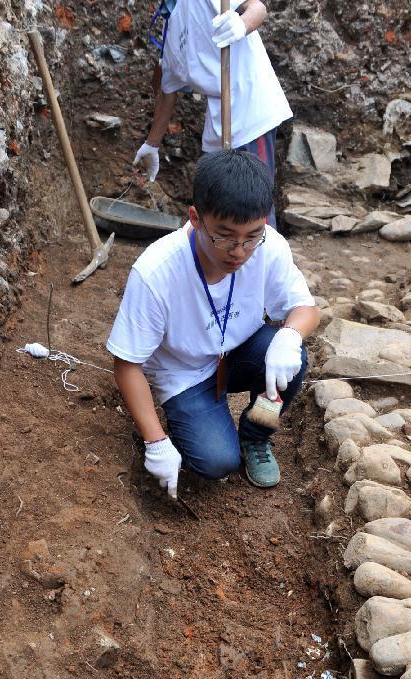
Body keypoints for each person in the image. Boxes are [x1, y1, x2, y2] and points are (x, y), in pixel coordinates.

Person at [106, 150, 319, 498]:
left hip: (238, 353)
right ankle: (190, 424)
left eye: (251, 237)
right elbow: (126, 364)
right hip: (185, 374)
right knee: (216, 461)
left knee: (291, 361)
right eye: (225, 236)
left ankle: (256, 435)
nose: (239, 251)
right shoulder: (157, 272)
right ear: (195, 218)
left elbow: (305, 309)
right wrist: (155, 440)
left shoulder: (269, 246)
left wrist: (290, 335)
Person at [133, 0, 291, 228]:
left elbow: (257, 7)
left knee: (253, 208)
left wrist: (240, 25)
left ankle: (261, 262)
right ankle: (217, 262)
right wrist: (152, 144)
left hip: (250, 109)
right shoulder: (174, 25)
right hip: (218, 119)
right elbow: (168, 91)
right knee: (212, 209)